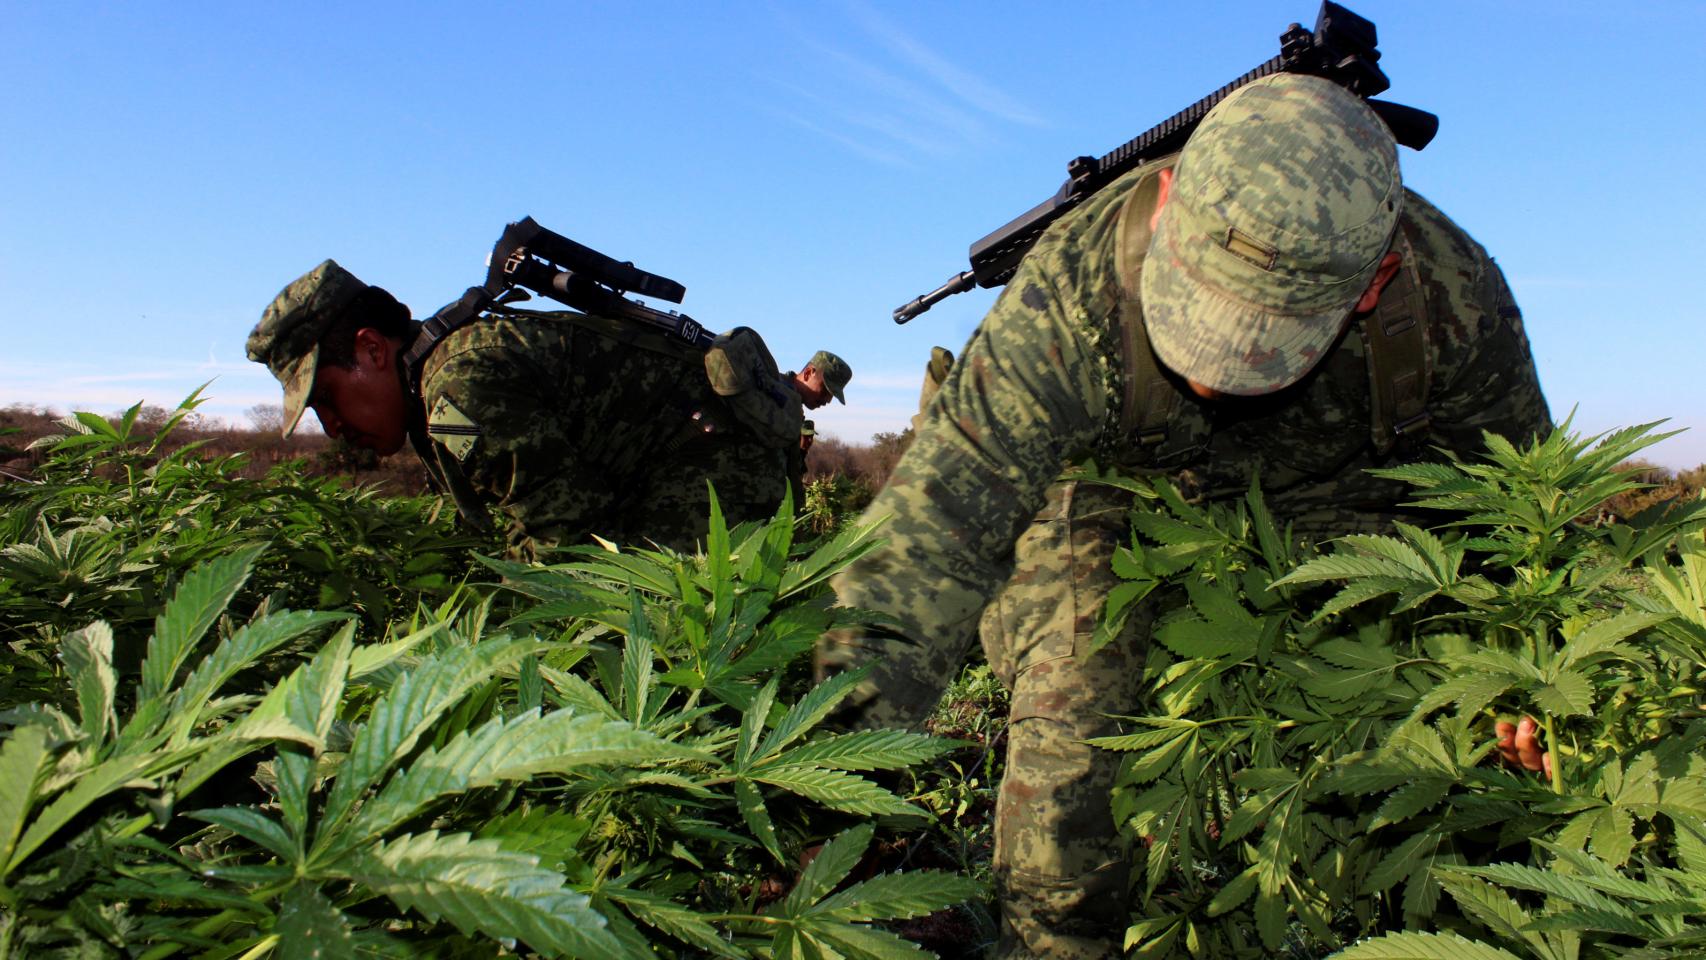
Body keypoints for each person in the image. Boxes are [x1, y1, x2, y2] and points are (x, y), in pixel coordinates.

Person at [818, 74, 1551, 959]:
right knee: (1070, 742)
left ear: (1373, 282)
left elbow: (1520, 512)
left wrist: (1525, 673)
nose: (1217, 369)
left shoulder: (1453, 298)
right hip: (1116, 489)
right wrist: (828, 767)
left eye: (1267, 331)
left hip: (1335, 500)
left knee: (1397, 744)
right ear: (1166, 199)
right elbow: (934, 530)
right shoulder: (1072, 290)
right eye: (1203, 303)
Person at [246, 263, 789, 556]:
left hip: (718, 473)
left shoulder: (458, 386)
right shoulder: (439, 376)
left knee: (648, 621)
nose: (333, 427)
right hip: (692, 466)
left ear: (371, 349)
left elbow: (568, 539)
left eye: (325, 400)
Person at [784, 350, 852, 509]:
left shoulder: (792, 404)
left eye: (832, 395)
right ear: (808, 373)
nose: (827, 400)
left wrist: (801, 450)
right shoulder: (774, 395)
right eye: (825, 390)